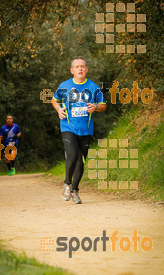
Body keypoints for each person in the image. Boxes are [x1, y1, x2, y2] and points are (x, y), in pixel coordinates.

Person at [52, 56, 107, 204]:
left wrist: (95, 107)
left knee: (81, 162)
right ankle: (67, 184)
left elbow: (103, 105)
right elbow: (54, 99)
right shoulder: (64, 86)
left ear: (87, 69)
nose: (80, 69)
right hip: (68, 126)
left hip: (86, 130)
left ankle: (75, 191)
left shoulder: (93, 87)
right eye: (77, 67)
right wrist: (58, 109)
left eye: (83, 66)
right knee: (73, 155)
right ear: (72, 70)